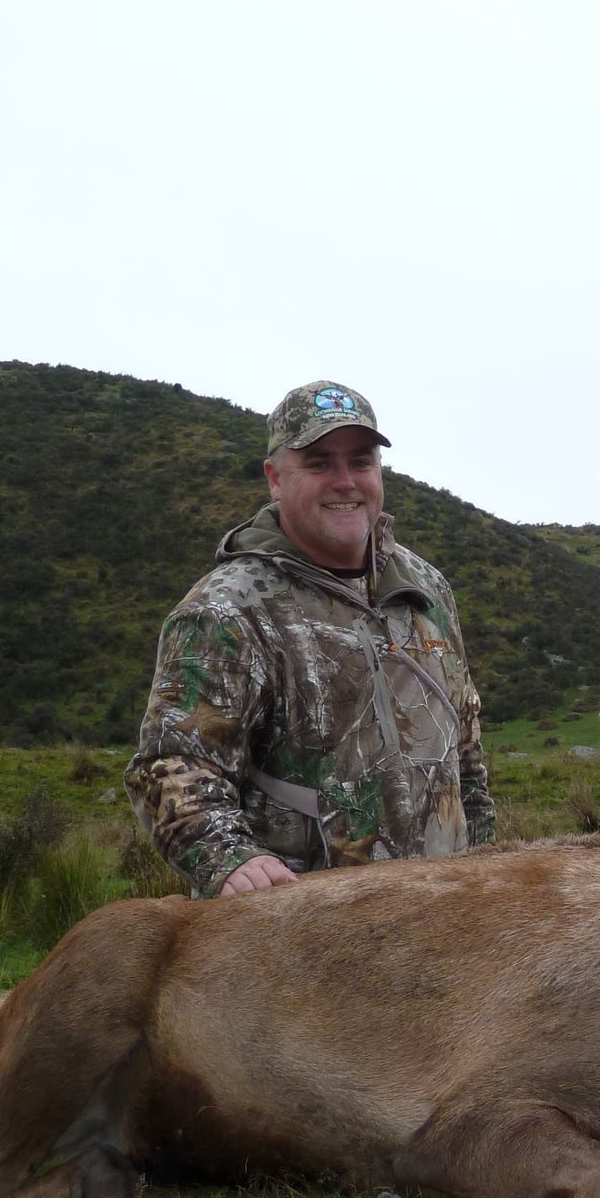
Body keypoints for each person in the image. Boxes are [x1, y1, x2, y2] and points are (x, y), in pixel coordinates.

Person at [125, 380, 494, 897]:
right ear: (275, 479)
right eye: (319, 463)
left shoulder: (426, 588)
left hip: (443, 916)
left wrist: (487, 867)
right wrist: (231, 860)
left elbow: (466, 751)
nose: (345, 482)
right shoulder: (226, 611)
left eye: (361, 462)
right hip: (306, 938)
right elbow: (170, 768)